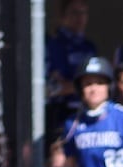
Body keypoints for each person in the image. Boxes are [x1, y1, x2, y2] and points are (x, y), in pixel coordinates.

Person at [45, 0, 98, 136]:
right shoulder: (54, 44)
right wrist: (83, 86)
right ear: (62, 16)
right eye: (74, 12)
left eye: (83, 12)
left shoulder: (89, 47)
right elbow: (53, 87)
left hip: (87, 110)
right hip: (62, 113)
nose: (80, 17)